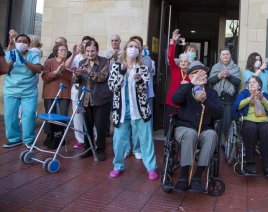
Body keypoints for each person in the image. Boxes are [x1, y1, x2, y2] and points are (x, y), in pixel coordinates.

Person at [108, 39, 158, 180]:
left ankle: (151, 168)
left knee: (146, 139)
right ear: (125, 48)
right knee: (118, 141)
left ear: (140, 52)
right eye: (131, 46)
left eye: (137, 47)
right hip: (121, 111)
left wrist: (139, 80)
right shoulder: (117, 66)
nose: (133, 49)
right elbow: (112, 87)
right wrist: (122, 73)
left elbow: (144, 89)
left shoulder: (142, 68)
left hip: (140, 110)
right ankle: (118, 166)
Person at [171, 60, 224, 192]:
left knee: (212, 135)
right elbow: (175, 100)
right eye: (195, 73)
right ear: (190, 76)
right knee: (191, 134)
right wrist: (190, 85)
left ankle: (196, 177)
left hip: (205, 129)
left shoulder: (212, 93)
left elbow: (219, 114)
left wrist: (206, 101)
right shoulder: (185, 89)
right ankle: (184, 177)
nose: (200, 75)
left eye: (202, 73)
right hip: (184, 128)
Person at [73, 40, 112, 161]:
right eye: (88, 51)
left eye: (93, 51)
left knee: (100, 127)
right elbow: (77, 81)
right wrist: (76, 75)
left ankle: (100, 150)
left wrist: (87, 71)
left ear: (97, 51)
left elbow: (102, 77)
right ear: (85, 51)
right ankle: (88, 148)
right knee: (87, 126)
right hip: (85, 99)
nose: (90, 53)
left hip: (101, 99)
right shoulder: (81, 62)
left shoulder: (104, 61)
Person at [3, 34, 42, 148]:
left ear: (29, 45)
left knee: (29, 115)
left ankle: (29, 140)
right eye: (19, 41)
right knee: (10, 116)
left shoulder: (33, 55)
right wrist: (12, 61)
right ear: (15, 42)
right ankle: (14, 138)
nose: (21, 43)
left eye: (24, 42)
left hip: (29, 92)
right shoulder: (9, 54)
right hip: (11, 90)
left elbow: (38, 69)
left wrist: (24, 61)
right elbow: (5, 70)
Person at [233, 76, 268, 176]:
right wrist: (249, 98)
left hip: (264, 120)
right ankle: (250, 163)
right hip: (249, 120)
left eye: (254, 82)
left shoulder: (264, 94)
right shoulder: (244, 94)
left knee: (266, 131)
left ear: (259, 85)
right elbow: (236, 106)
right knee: (250, 129)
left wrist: (262, 99)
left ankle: (267, 165)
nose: (251, 84)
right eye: (250, 82)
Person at [41, 42, 72, 149]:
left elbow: (72, 78)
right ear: (56, 51)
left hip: (64, 94)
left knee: (61, 117)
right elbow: (44, 77)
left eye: (65, 50)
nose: (64, 52)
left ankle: (59, 139)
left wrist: (64, 70)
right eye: (62, 50)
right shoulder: (49, 62)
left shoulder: (69, 63)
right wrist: (56, 72)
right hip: (50, 93)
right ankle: (50, 138)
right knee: (50, 117)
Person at [208, 48, 241, 145]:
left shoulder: (236, 68)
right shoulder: (215, 67)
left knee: (226, 122)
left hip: (229, 98)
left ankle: (223, 142)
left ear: (230, 55)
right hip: (216, 97)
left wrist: (229, 75)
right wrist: (219, 76)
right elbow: (210, 81)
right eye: (223, 54)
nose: (225, 56)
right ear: (220, 56)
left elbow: (238, 82)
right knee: (215, 120)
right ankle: (214, 141)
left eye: (227, 54)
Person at [66, 36, 92, 149]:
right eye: (83, 43)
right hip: (76, 91)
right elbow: (66, 66)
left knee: (90, 116)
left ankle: (93, 138)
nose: (84, 45)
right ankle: (80, 139)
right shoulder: (77, 57)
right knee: (77, 117)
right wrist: (73, 53)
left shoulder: (93, 57)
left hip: (89, 91)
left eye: (87, 43)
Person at [164, 29, 191, 135]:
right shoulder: (175, 69)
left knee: (181, 127)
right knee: (169, 126)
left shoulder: (191, 73)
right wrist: (173, 42)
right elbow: (170, 57)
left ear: (189, 63)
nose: (183, 63)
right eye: (182, 61)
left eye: (186, 62)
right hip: (172, 102)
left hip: (184, 104)